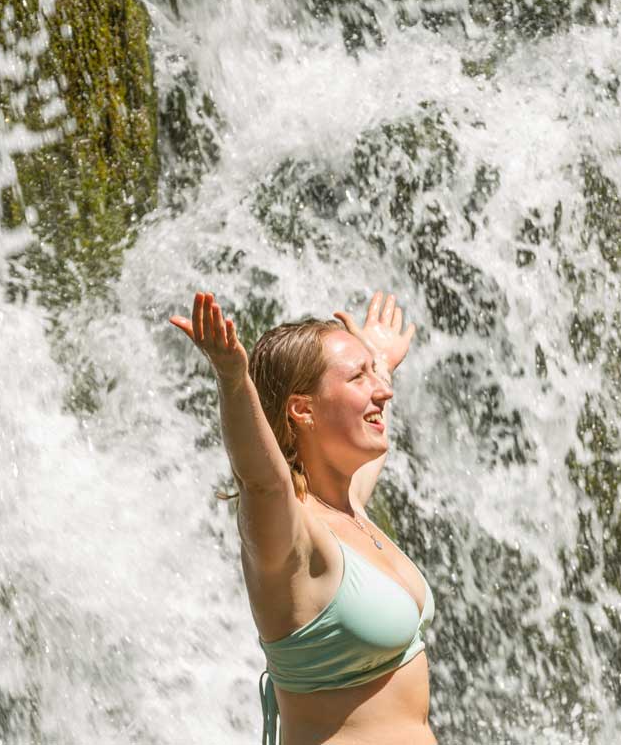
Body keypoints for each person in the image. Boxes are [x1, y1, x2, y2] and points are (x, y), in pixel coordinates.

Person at [169, 290, 434, 745]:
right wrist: (234, 379)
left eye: (376, 377)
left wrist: (379, 365)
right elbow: (263, 481)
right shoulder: (291, 538)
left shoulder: (348, 509)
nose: (383, 392)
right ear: (302, 409)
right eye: (357, 378)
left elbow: (368, 434)